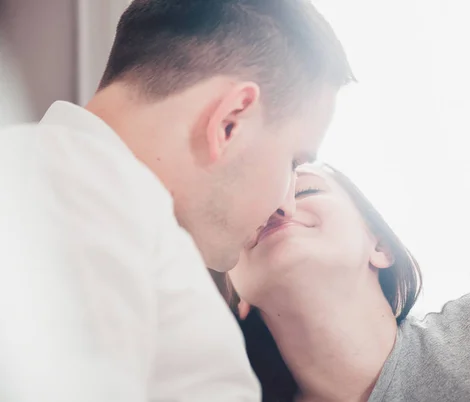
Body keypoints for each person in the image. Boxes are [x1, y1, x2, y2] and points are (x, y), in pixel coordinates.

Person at [0, 1, 353, 401]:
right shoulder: (86, 189)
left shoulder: (83, 192)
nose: (285, 205)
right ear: (230, 121)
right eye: (293, 161)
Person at [224, 164, 470, 402]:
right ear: (235, 294)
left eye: (306, 190)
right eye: (253, 209)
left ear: (380, 246)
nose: (281, 207)